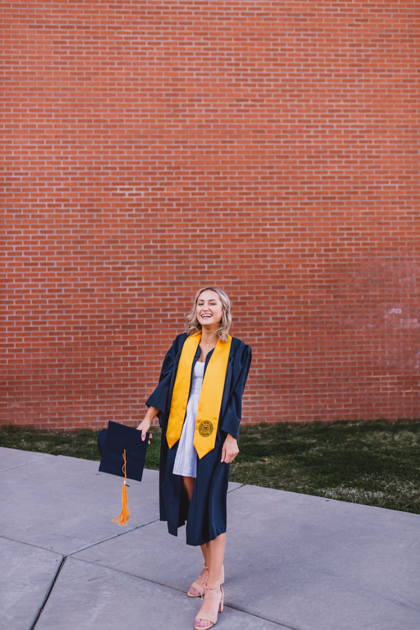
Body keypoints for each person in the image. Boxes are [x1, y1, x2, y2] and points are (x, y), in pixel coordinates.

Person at [137, 287, 252, 629]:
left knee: (210, 505)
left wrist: (232, 436)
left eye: (211, 303)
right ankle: (211, 568)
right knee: (192, 502)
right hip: (180, 430)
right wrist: (146, 418)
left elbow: (235, 395)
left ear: (223, 309)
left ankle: (214, 589)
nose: (205, 307)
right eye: (200, 303)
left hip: (213, 435)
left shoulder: (237, 350)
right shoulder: (182, 344)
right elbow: (166, 382)